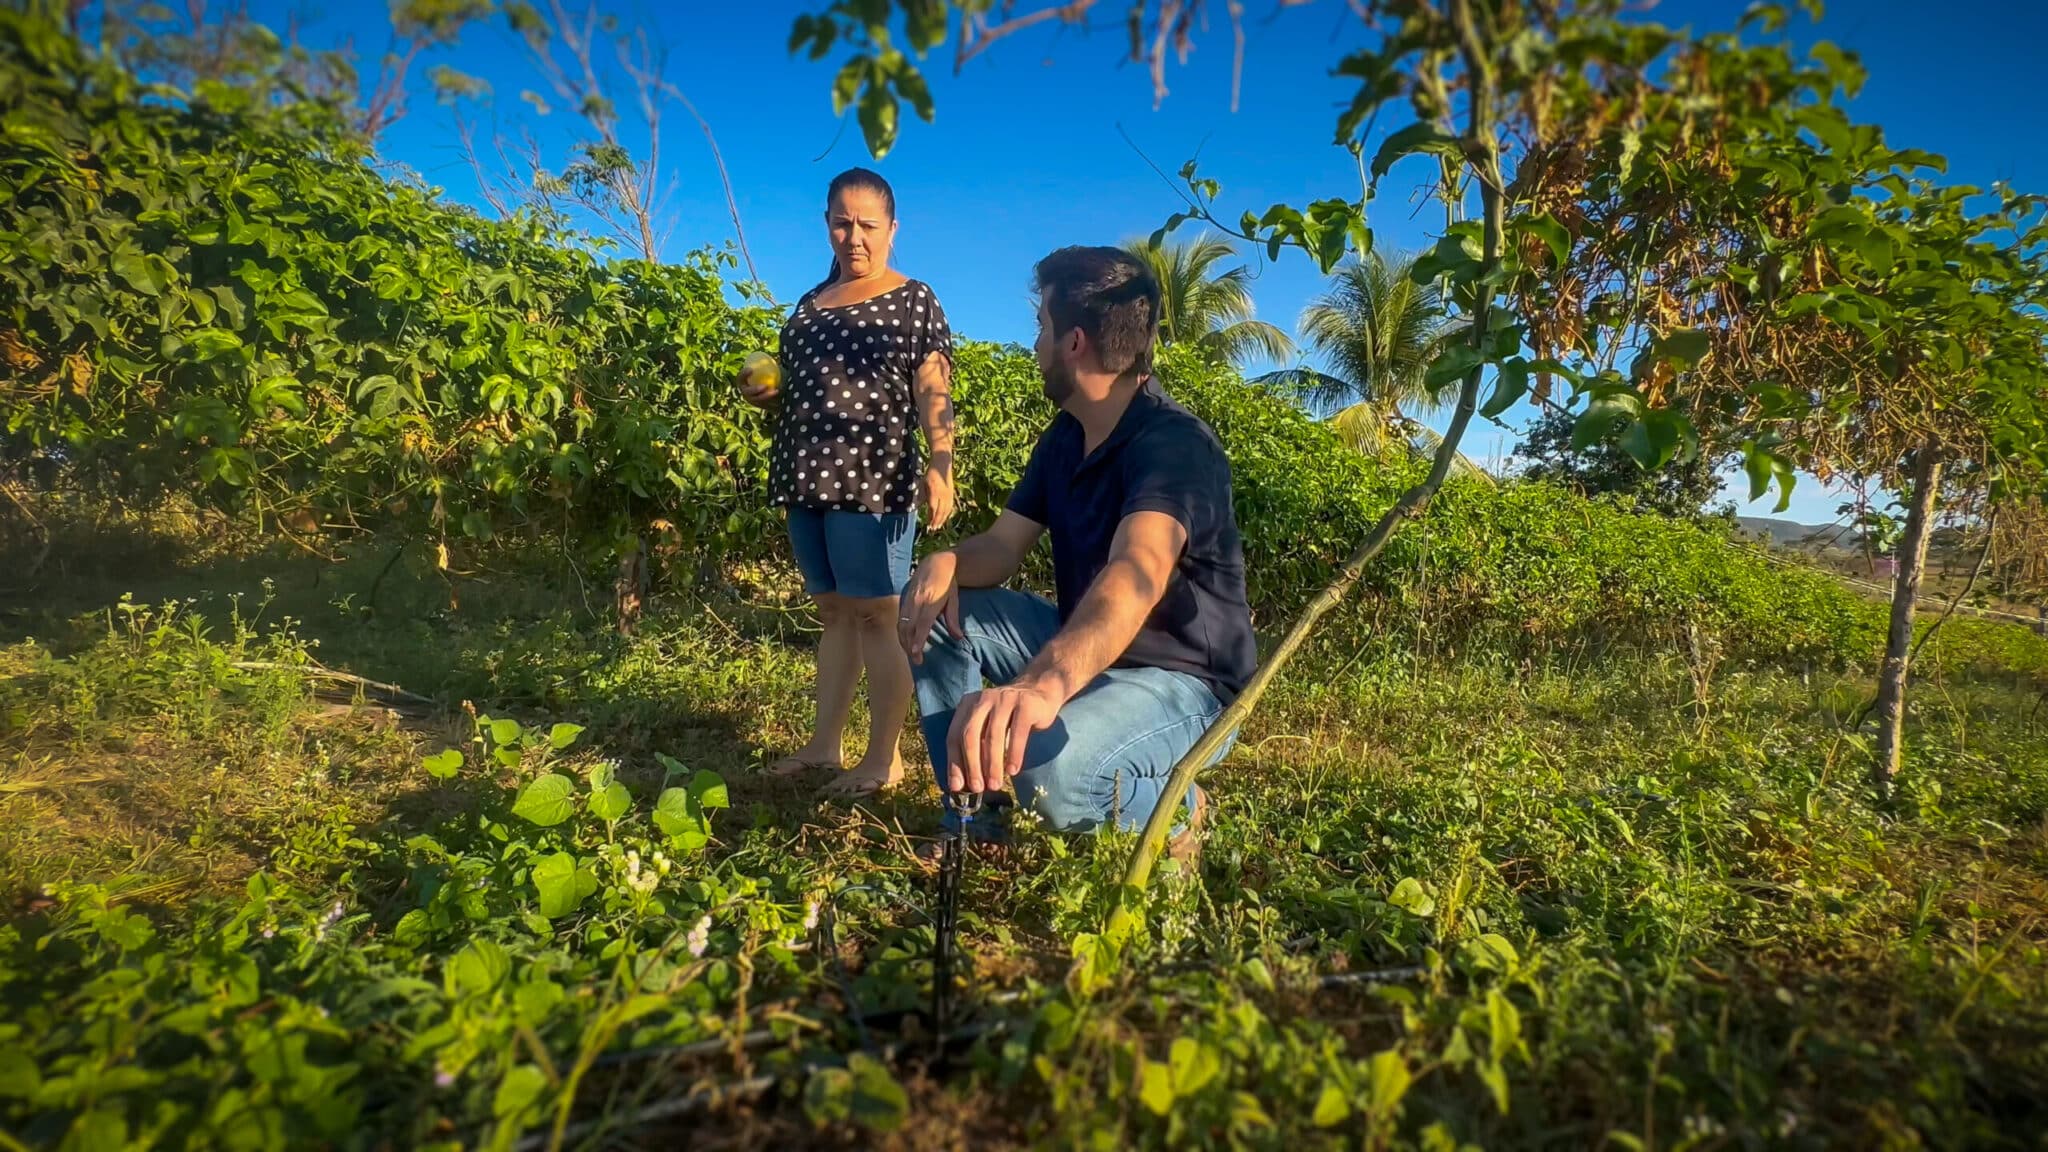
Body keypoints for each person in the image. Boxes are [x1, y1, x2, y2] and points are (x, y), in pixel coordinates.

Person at [896, 246, 1256, 860]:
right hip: (1089, 647)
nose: (1035, 344)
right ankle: (975, 817)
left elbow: (1133, 574)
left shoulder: (1173, 443)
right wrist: (948, 560)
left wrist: (1040, 685)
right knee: (933, 606)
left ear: (1075, 344)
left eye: (1042, 327)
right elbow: (1004, 546)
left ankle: (1180, 808)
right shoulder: (1066, 436)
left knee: (1054, 778)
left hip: (1188, 685)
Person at [739, 168, 956, 798]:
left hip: (873, 476)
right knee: (834, 612)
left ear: (892, 228)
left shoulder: (913, 298)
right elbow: (806, 393)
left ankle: (884, 758)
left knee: (879, 616)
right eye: (841, 221)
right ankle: (823, 746)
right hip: (804, 472)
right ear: (827, 223)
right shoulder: (808, 303)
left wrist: (941, 462)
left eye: (867, 224)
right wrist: (767, 395)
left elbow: (932, 385)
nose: (853, 236)